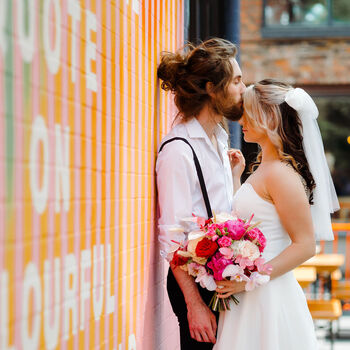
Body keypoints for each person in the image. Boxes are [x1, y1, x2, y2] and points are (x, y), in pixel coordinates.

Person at [214, 79, 339, 350]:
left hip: (267, 296)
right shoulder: (264, 167)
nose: (241, 119)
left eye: (248, 111)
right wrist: (237, 177)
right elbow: (248, 222)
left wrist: (251, 278)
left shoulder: (281, 174)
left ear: (269, 117)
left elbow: (305, 245)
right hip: (249, 294)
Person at [156, 38, 246, 349]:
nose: (243, 89)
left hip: (219, 276)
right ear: (211, 88)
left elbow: (219, 211)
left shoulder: (220, 140)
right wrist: (194, 304)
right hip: (194, 285)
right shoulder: (178, 150)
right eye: (236, 81)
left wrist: (234, 177)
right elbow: (172, 236)